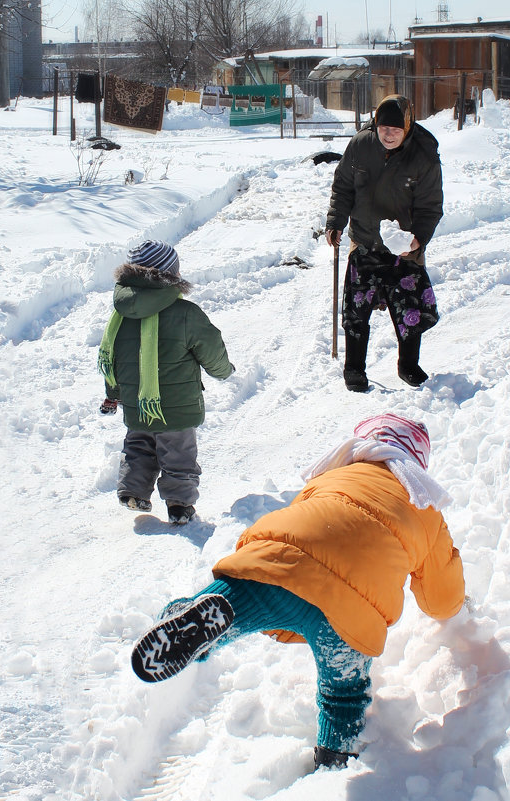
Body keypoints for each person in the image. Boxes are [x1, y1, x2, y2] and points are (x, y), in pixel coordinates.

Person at [130, 413, 465, 769]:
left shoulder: (334, 474)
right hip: (349, 613)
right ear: (416, 462)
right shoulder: (424, 505)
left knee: (233, 600)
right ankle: (335, 760)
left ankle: (187, 615)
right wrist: (458, 609)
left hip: (284, 569)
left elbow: (302, 518)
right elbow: (441, 596)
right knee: (344, 695)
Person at [98, 240, 235, 525]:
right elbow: (211, 348)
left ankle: (133, 490)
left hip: (137, 404)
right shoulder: (186, 313)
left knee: (138, 446)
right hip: (177, 407)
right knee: (179, 455)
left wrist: (113, 393)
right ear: (170, 274)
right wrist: (223, 371)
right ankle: (179, 504)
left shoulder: (120, 316)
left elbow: (114, 358)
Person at [325, 94, 444, 392]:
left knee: (409, 307)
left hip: (403, 247)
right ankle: (353, 369)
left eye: (395, 129)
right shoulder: (360, 145)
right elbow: (343, 188)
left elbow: (431, 206)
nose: (388, 135)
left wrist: (417, 240)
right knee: (356, 308)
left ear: (407, 126)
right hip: (364, 239)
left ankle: (408, 365)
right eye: (382, 128)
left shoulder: (424, 155)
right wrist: (335, 222)